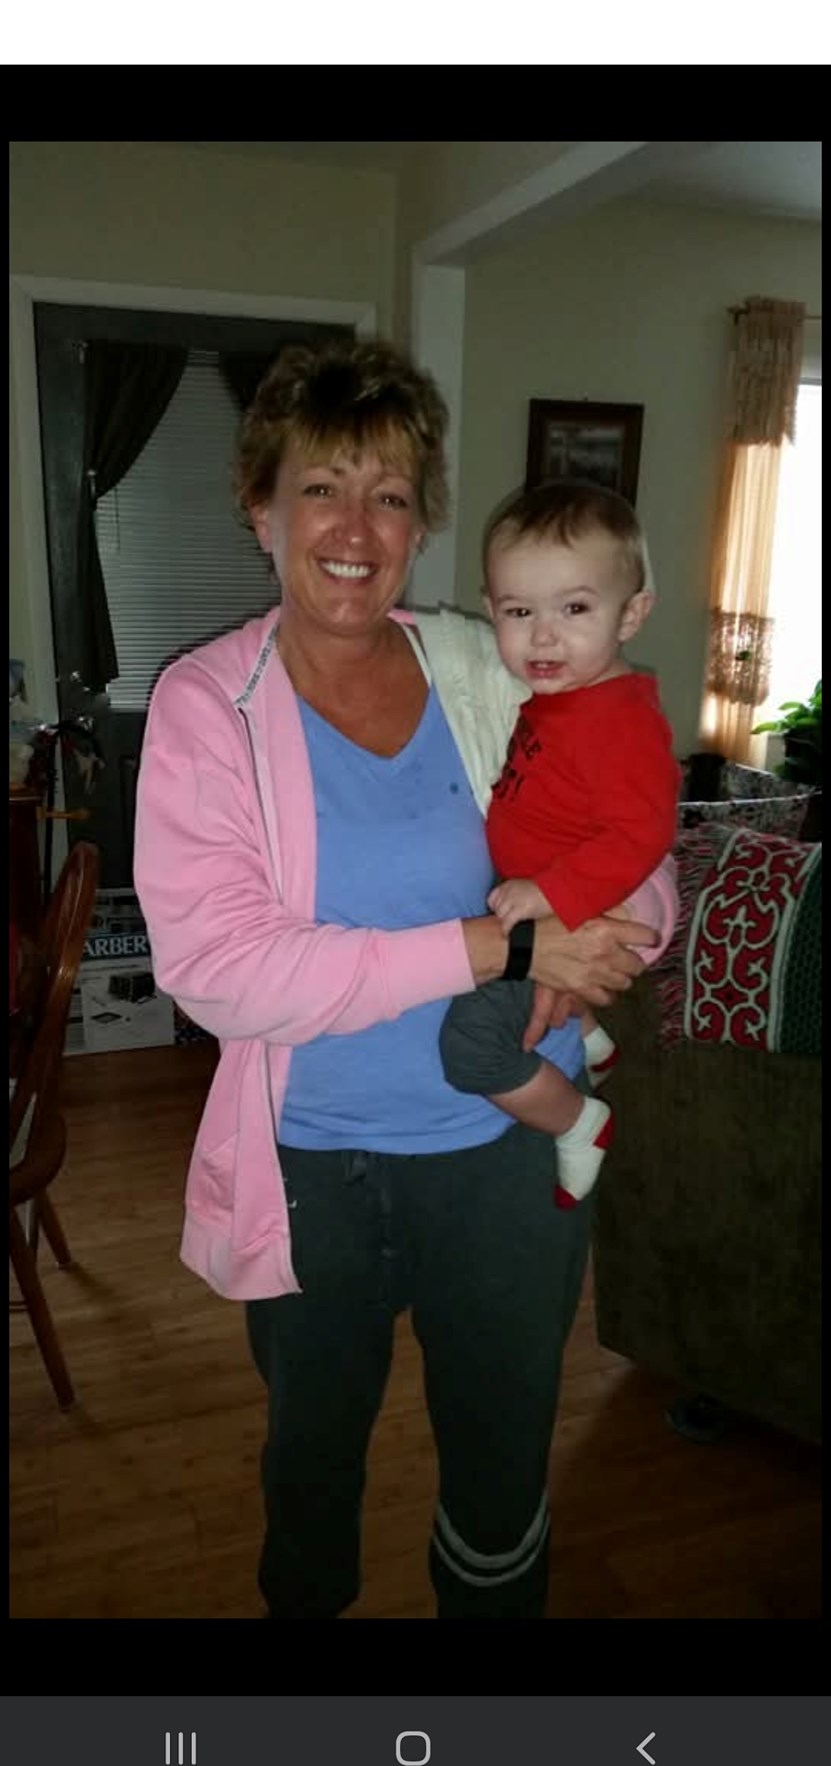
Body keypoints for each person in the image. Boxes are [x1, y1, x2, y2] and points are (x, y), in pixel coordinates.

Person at [133, 336, 672, 1622]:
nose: (354, 528)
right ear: (262, 508)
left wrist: (618, 930)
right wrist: (505, 948)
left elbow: (638, 839)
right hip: (314, 1167)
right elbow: (221, 970)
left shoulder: (484, 664)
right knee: (311, 1457)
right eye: (320, 487)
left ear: (421, 522)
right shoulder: (208, 705)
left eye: (388, 494)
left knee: (502, 1458)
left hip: (502, 1158)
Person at [440, 480, 680, 1207]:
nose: (543, 636)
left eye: (574, 609)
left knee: (470, 1043)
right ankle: (593, 1037)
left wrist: (551, 894)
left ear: (631, 613)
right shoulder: (563, 696)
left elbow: (642, 832)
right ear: (492, 611)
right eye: (520, 612)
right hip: (578, 888)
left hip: (616, 895)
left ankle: (579, 1123)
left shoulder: (619, 719)